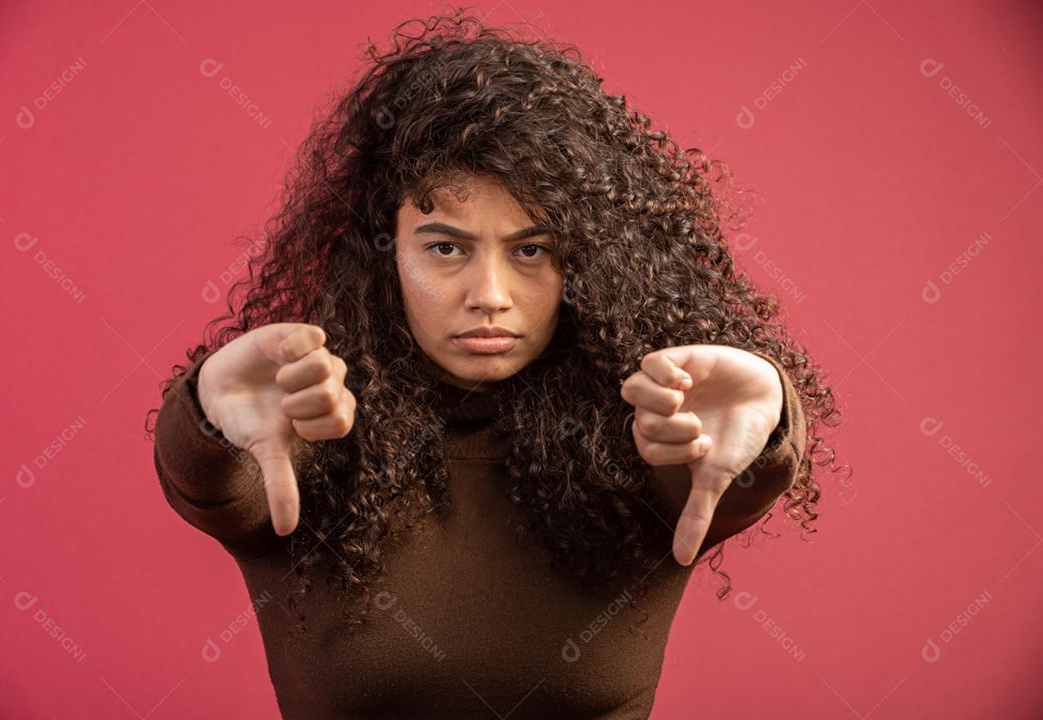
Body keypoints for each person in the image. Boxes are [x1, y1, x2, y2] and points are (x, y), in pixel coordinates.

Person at [146, 8, 842, 719]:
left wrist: (771, 411)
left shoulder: (650, 438)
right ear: (382, 256)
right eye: (446, 248)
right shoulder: (298, 442)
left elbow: (731, 463)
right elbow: (209, 473)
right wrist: (207, 415)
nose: (489, 297)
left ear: (584, 263)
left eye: (531, 250)